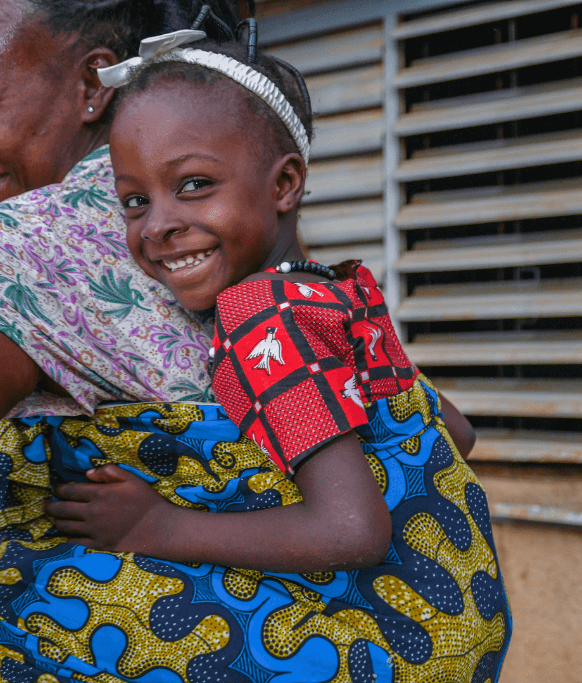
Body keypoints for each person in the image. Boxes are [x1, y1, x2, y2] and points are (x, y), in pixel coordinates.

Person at [0, 1, 483, 681]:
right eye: (135, 201)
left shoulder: (57, 258)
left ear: (96, 81)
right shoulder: (304, 276)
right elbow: (443, 432)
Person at [39, 34, 513, 681]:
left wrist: (158, 525)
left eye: (194, 184)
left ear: (285, 183)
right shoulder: (334, 289)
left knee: (62, 600)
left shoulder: (260, 314)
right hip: (466, 617)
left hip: (390, 645)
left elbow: (353, 531)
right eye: (134, 200)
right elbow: (455, 431)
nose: (157, 225)